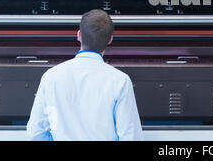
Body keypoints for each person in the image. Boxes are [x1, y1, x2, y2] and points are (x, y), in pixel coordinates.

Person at [27, 9, 143, 141]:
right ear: (110, 39)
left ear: (79, 35)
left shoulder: (51, 77)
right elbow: (131, 137)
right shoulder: (120, 81)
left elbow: (36, 133)